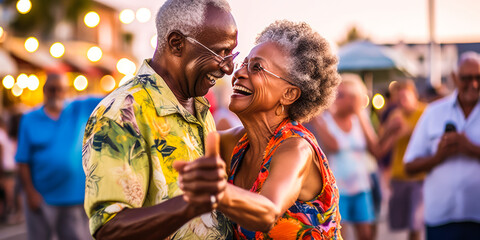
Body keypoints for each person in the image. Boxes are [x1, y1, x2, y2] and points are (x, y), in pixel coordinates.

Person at [82, 0, 238, 239]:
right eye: (220, 52)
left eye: (231, 52)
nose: (229, 67)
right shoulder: (121, 114)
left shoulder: (199, 106)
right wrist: (190, 204)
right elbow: (109, 228)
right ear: (177, 44)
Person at [175, 20, 342, 239]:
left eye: (257, 68)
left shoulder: (296, 149)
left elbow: (269, 211)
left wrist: (217, 191)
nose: (238, 73)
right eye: (243, 64)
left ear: (289, 94)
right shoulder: (230, 144)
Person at [15, 73, 101, 240]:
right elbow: (22, 160)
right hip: (41, 196)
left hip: (74, 197)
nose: (56, 93)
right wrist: (30, 192)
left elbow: (114, 96)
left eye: (60, 89)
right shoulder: (30, 118)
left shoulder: (79, 108)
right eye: (52, 89)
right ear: (44, 90)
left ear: (66, 91)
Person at [404, 52, 480, 240]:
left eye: (478, 77)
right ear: (454, 78)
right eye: (466, 78)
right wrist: (438, 157)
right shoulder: (433, 113)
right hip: (441, 219)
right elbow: (409, 166)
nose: (474, 84)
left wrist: (469, 147)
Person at [311, 74, 381, 240]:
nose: (335, 98)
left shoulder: (360, 119)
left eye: (341, 95)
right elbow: (333, 145)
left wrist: (359, 112)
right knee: (340, 234)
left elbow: (375, 148)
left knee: (366, 234)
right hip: (337, 188)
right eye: (335, 94)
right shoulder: (325, 120)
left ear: (354, 98)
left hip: (361, 186)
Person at [380, 80, 426, 240]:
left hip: (420, 175)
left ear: (414, 96)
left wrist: (407, 131)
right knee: (403, 223)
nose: (401, 102)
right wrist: (389, 130)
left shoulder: (425, 113)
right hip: (399, 174)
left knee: (416, 222)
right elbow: (381, 146)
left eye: (404, 97)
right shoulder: (395, 115)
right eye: (398, 99)